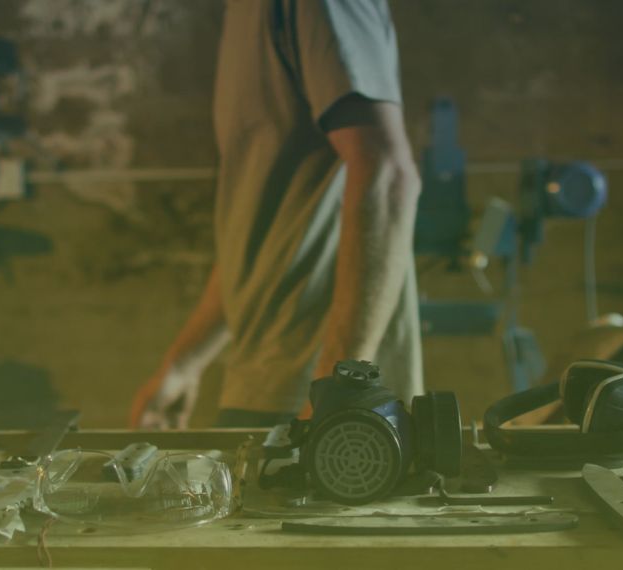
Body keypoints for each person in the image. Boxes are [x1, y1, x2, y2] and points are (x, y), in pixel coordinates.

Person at [129, 0, 423, 429]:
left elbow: (386, 174)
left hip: (316, 399)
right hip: (268, 380)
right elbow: (260, 233)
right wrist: (183, 364)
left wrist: (340, 386)